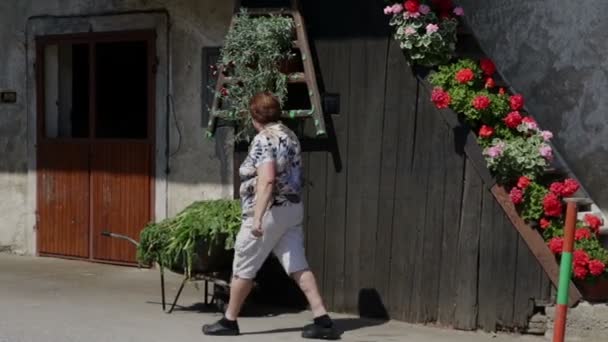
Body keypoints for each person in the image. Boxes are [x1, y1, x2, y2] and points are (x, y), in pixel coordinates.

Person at [202, 92, 340, 340]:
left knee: (244, 265)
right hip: (291, 209)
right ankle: (322, 318)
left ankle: (229, 320)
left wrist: (257, 218)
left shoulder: (264, 139)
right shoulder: (289, 135)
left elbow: (267, 179)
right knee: (297, 264)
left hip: (269, 212)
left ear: (255, 116)